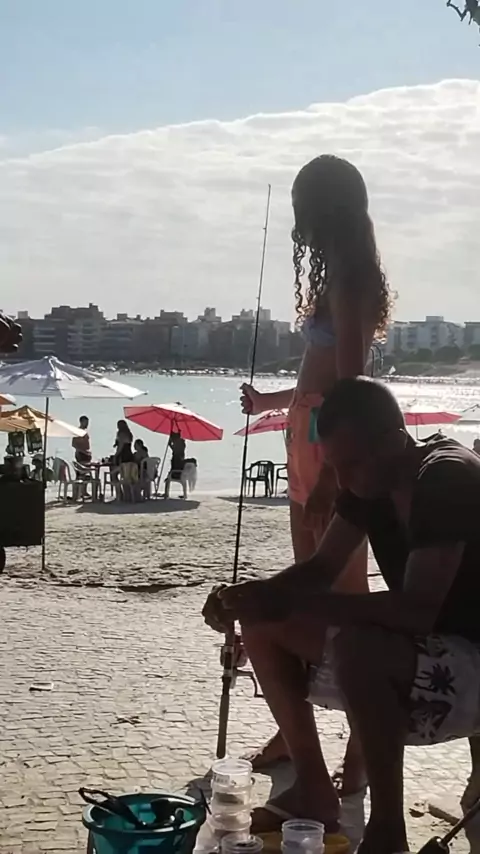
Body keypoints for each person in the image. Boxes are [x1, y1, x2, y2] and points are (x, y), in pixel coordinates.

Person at [204, 377, 480, 852]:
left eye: (351, 465)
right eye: (336, 467)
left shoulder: (445, 477)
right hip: (433, 649)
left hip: (470, 650)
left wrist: (287, 600)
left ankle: (387, 830)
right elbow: (321, 569)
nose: (344, 481)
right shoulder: (370, 478)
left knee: (360, 646)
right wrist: (251, 597)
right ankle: (314, 789)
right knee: (264, 623)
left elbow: (416, 611)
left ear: (392, 442)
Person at [239, 154, 391, 784]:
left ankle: (363, 743)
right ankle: (293, 723)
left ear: (325, 208)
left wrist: (335, 471)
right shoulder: (341, 273)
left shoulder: (350, 279)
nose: (297, 222)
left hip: (330, 445)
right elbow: (318, 380)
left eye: (302, 206)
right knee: (309, 591)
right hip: (308, 437)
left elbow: (352, 383)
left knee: (343, 597)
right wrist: (271, 403)